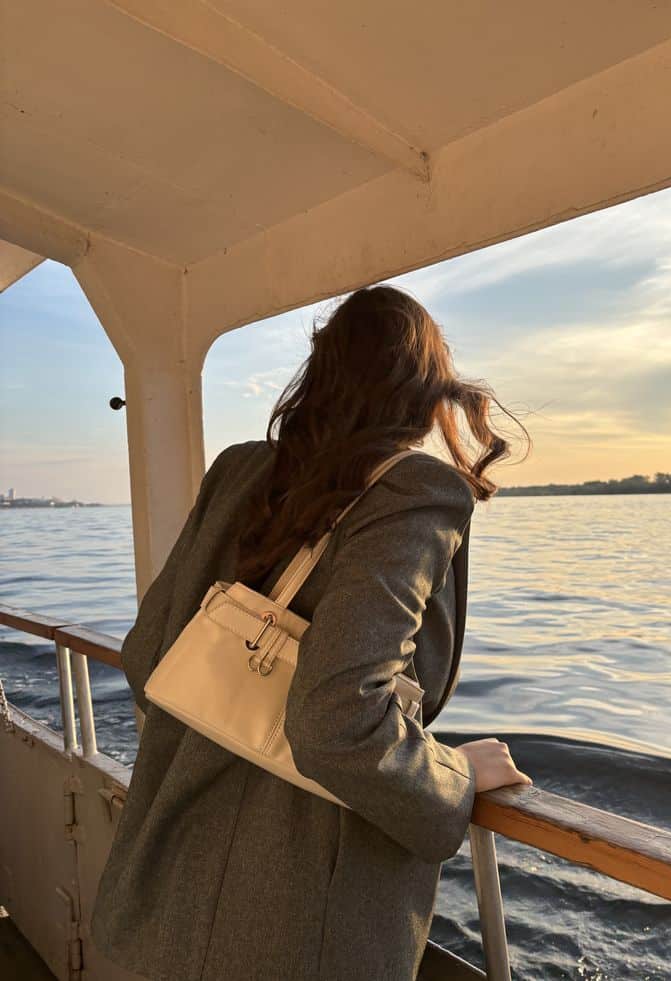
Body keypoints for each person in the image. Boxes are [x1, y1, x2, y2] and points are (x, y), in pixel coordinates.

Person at [90, 284, 533, 981]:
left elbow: (147, 656)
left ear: (318, 372)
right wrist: (452, 778)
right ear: (425, 391)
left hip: (156, 905)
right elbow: (336, 721)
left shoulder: (238, 469)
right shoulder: (413, 491)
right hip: (297, 939)